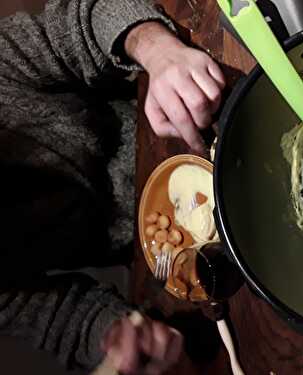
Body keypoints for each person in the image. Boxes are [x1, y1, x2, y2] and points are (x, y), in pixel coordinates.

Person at [0, 0, 225, 373]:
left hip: (188, 120)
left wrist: (154, 48)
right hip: (184, 255)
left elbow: (82, 21)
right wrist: (116, 338)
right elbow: (63, 320)